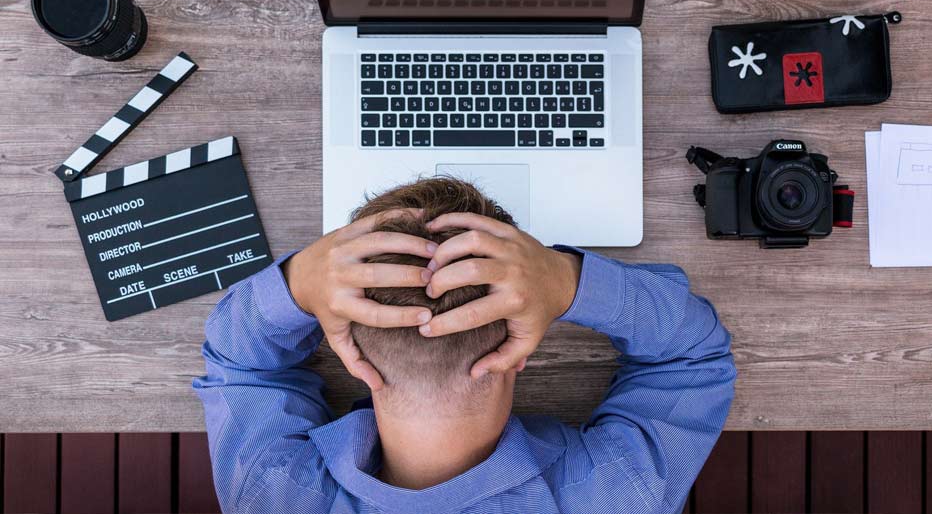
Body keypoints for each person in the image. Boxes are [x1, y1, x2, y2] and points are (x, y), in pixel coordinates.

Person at [194, 178, 736, 513]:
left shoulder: (271, 496)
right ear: (518, 354)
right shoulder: (618, 496)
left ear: (349, 353)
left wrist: (297, 284)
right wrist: (566, 281)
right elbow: (693, 355)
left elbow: (241, 366)